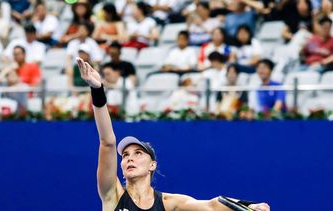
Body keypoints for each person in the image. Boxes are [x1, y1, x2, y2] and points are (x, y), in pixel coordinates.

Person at [75, 57, 271, 211]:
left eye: (138, 153)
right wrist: (98, 90)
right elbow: (107, 142)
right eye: (125, 155)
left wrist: (249, 205)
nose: (129, 159)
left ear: (152, 165)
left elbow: (212, 205)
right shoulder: (112, 195)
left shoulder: (169, 203)